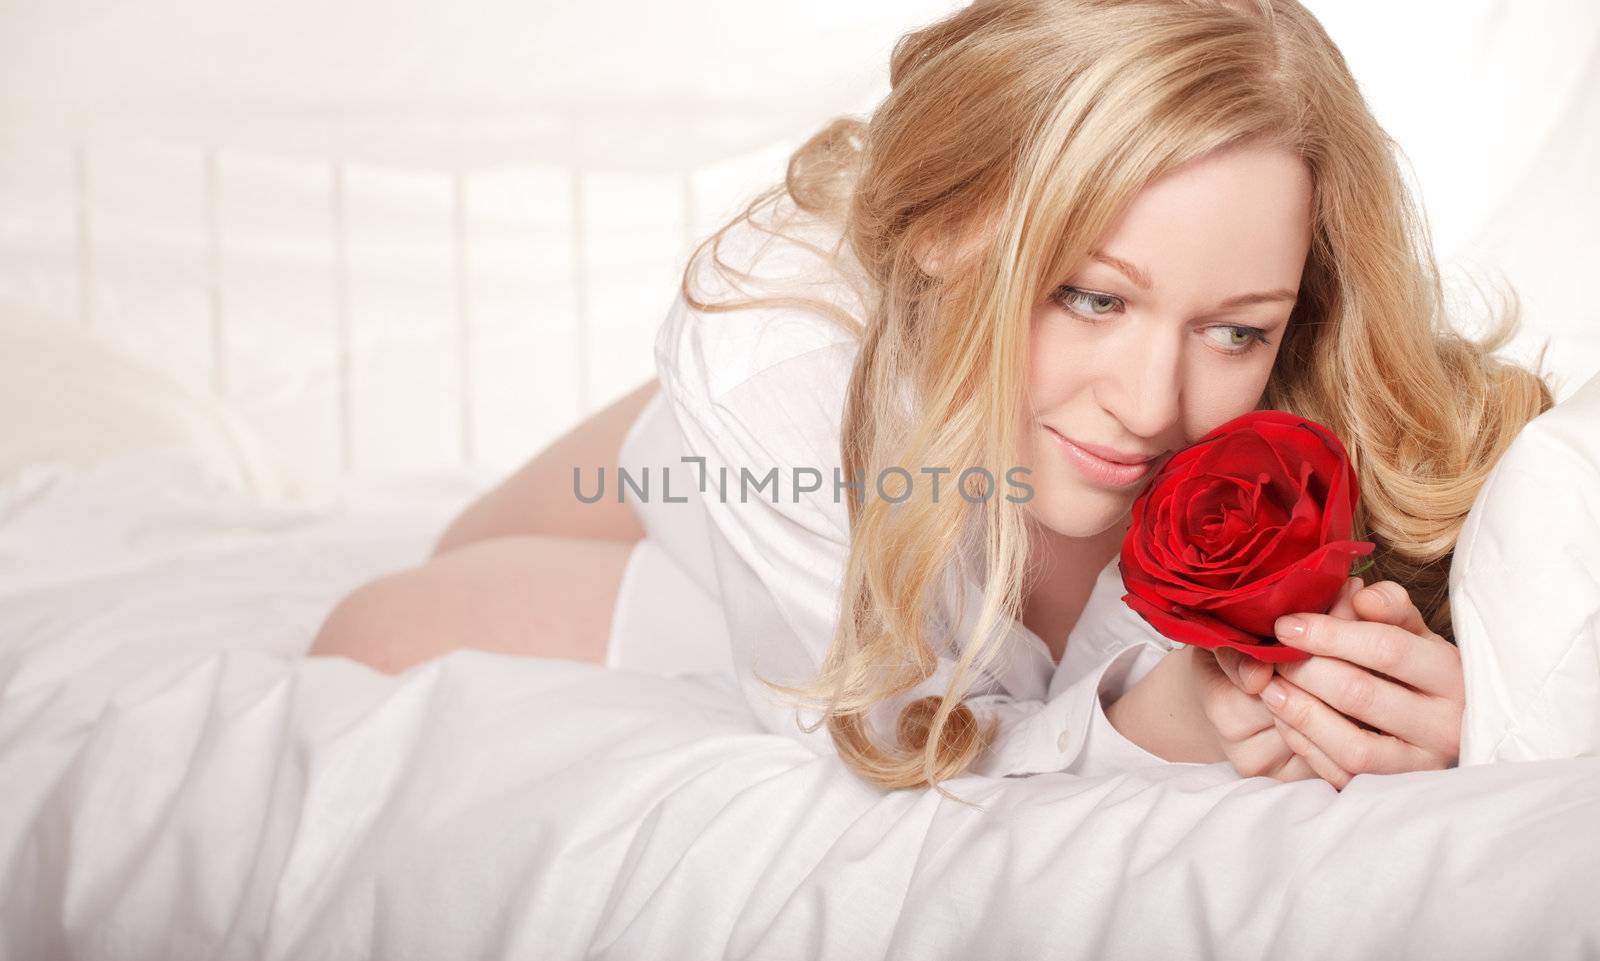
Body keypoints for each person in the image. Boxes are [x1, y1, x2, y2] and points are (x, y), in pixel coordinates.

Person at [310, 0, 1555, 798]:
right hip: (786, 460)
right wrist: (1152, 722)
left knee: (388, 626)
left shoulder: (1318, 392)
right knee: (383, 619)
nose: (1149, 400)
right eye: (1091, 297)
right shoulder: (780, 367)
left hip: (883, 475)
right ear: (952, 229)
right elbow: (893, 741)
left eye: (1234, 328)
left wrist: (1445, 702)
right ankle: (685, 437)